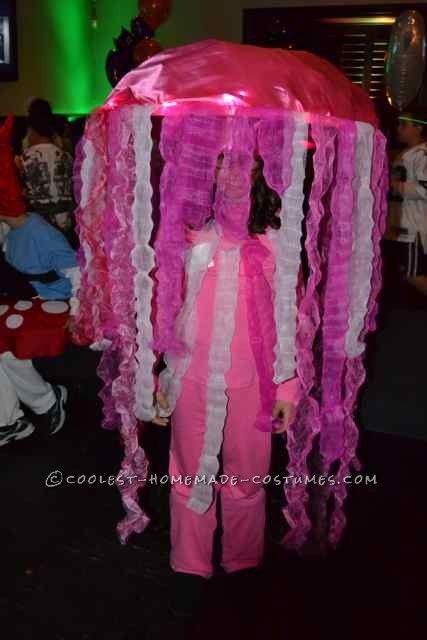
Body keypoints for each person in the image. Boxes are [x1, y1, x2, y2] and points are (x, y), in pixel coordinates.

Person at [152, 156, 301, 615]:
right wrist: (161, 373)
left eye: (243, 164)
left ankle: (242, 558)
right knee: (187, 471)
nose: (231, 174)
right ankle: (190, 560)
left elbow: (292, 319)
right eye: (219, 162)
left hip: (254, 381)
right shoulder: (187, 231)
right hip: (192, 375)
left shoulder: (276, 241)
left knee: (247, 476)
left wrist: (287, 388)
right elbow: (167, 307)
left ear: (260, 171)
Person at [0, 115, 80, 446]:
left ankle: (42, 402)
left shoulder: (39, 233)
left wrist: (77, 312)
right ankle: (14, 416)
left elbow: (76, 274)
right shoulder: (8, 230)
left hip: (56, 303)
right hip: (31, 298)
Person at [16, 98, 75, 237]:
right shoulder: (67, 157)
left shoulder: (23, 160)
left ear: (31, 130)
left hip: (37, 231)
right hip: (66, 230)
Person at [385, 112, 427, 285]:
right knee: (403, 274)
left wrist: (393, 186)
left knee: (413, 275)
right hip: (398, 227)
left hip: (413, 228)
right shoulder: (404, 153)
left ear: (419, 127)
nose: (398, 129)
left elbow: (425, 189)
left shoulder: (423, 154)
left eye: (404, 125)